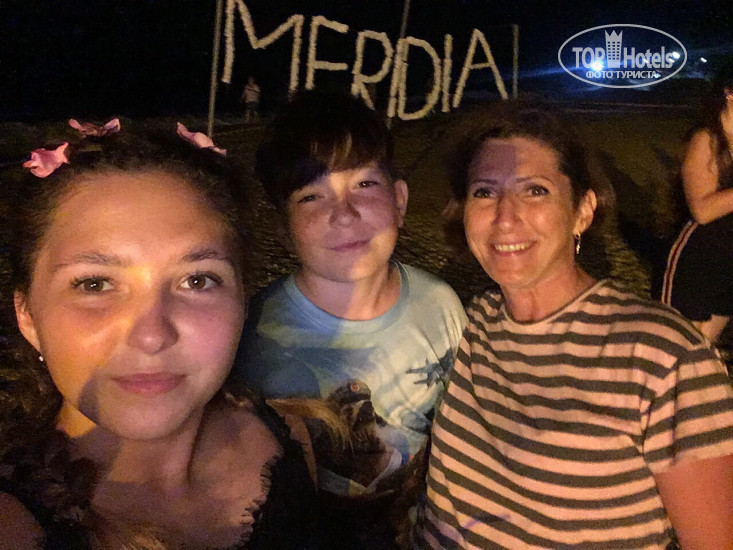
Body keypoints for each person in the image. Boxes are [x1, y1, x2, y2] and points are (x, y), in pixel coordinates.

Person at [414, 103, 733, 549]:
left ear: (583, 210)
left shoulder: (663, 356)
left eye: (535, 190)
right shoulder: (471, 326)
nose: (505, 216)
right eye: (484, 192)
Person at [0, 122, 322, 548]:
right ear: (27, 316)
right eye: (95, 284)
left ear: (242, 301)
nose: (151, 336)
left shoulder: (290, 437)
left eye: (197, 280)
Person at [230, 90, 466, 545]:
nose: (343, 213)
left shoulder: (440, 306)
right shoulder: (253, 336)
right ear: (283, 229)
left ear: (400, 199)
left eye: (364, 184)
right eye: (311, 196)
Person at [662, 63, 733, 346]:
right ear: (729, 92)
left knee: (703, 351)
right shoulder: (706, 139)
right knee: (676, 349)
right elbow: (702, 211)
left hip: (728, 263)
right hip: (699, 259)